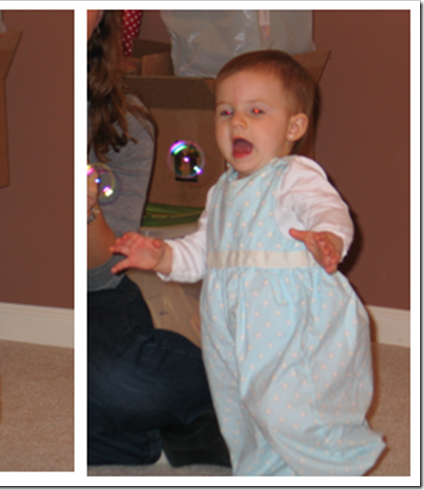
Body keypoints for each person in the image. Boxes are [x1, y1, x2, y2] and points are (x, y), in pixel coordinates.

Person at [110, 50, 386, 475]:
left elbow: (326, 209)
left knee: (287, 409)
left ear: (294, 127)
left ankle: (333, 468)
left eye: (256, 111)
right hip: (230, 327)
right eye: (226, 111)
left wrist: (327, 237)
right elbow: (205, 251)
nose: (237, 122)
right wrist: (163, 255)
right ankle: (262, 472)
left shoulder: (293, 174)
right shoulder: (221, 191)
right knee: (238, 410)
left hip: (289, 322)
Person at [87, 10, 230, 467]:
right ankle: (148, 436)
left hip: (97, 293)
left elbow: (101, 272)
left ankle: (247, 382)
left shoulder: (124, 125)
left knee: (120, 384)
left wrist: (86, 210)